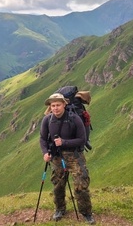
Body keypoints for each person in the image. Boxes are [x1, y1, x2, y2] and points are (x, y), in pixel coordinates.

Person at [39, 93, 95, 224]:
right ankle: (60, 209)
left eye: (58, 105)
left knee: (81, 184)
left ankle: (86, 212)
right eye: (53, 105)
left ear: (64, 104)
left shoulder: (74, 118)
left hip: (75, 155)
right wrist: (45, 153)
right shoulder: (47, 120)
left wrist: (64, 142)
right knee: (58, 185)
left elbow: (82, 139)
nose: (56, 108)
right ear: (50, 107)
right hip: (57, 156)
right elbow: (42, 138)